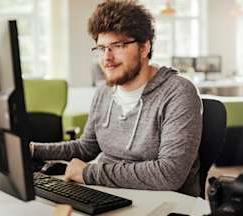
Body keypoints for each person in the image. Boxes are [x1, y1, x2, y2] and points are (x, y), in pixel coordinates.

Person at [30, 0, 202, 196]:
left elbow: (169, 174)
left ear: (144, 48)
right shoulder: (104, 92)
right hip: (110, 193)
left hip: (164, 203)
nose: (106, 58)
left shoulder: (177, 92)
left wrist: (88, 172)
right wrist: (32, 150)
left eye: (117, 46)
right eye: (102, 48)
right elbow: (86, 147)